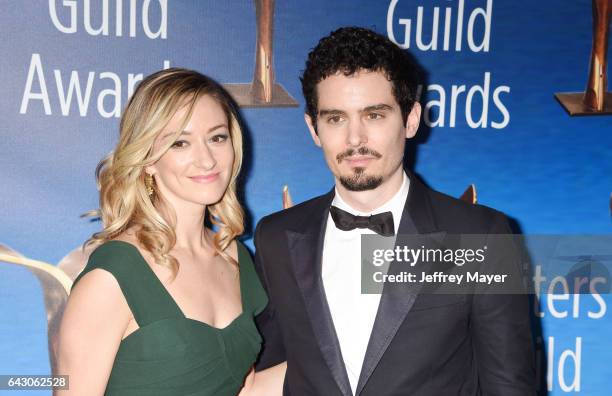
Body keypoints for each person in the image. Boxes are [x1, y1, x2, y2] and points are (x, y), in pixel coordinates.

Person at [253, 27, 536, 395]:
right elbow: (267, 369)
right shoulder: (276, 237)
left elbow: (509, 385)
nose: (355, 139)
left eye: (374, 115)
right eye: (336, 118)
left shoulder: (480, 237)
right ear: (313, 128)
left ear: (411, 118)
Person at [56, 68, 284, 396]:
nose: (206, 160)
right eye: (180, 142)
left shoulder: (234, 255)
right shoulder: (114, 276)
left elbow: (245, 390)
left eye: (217, 137)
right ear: (147, 158)